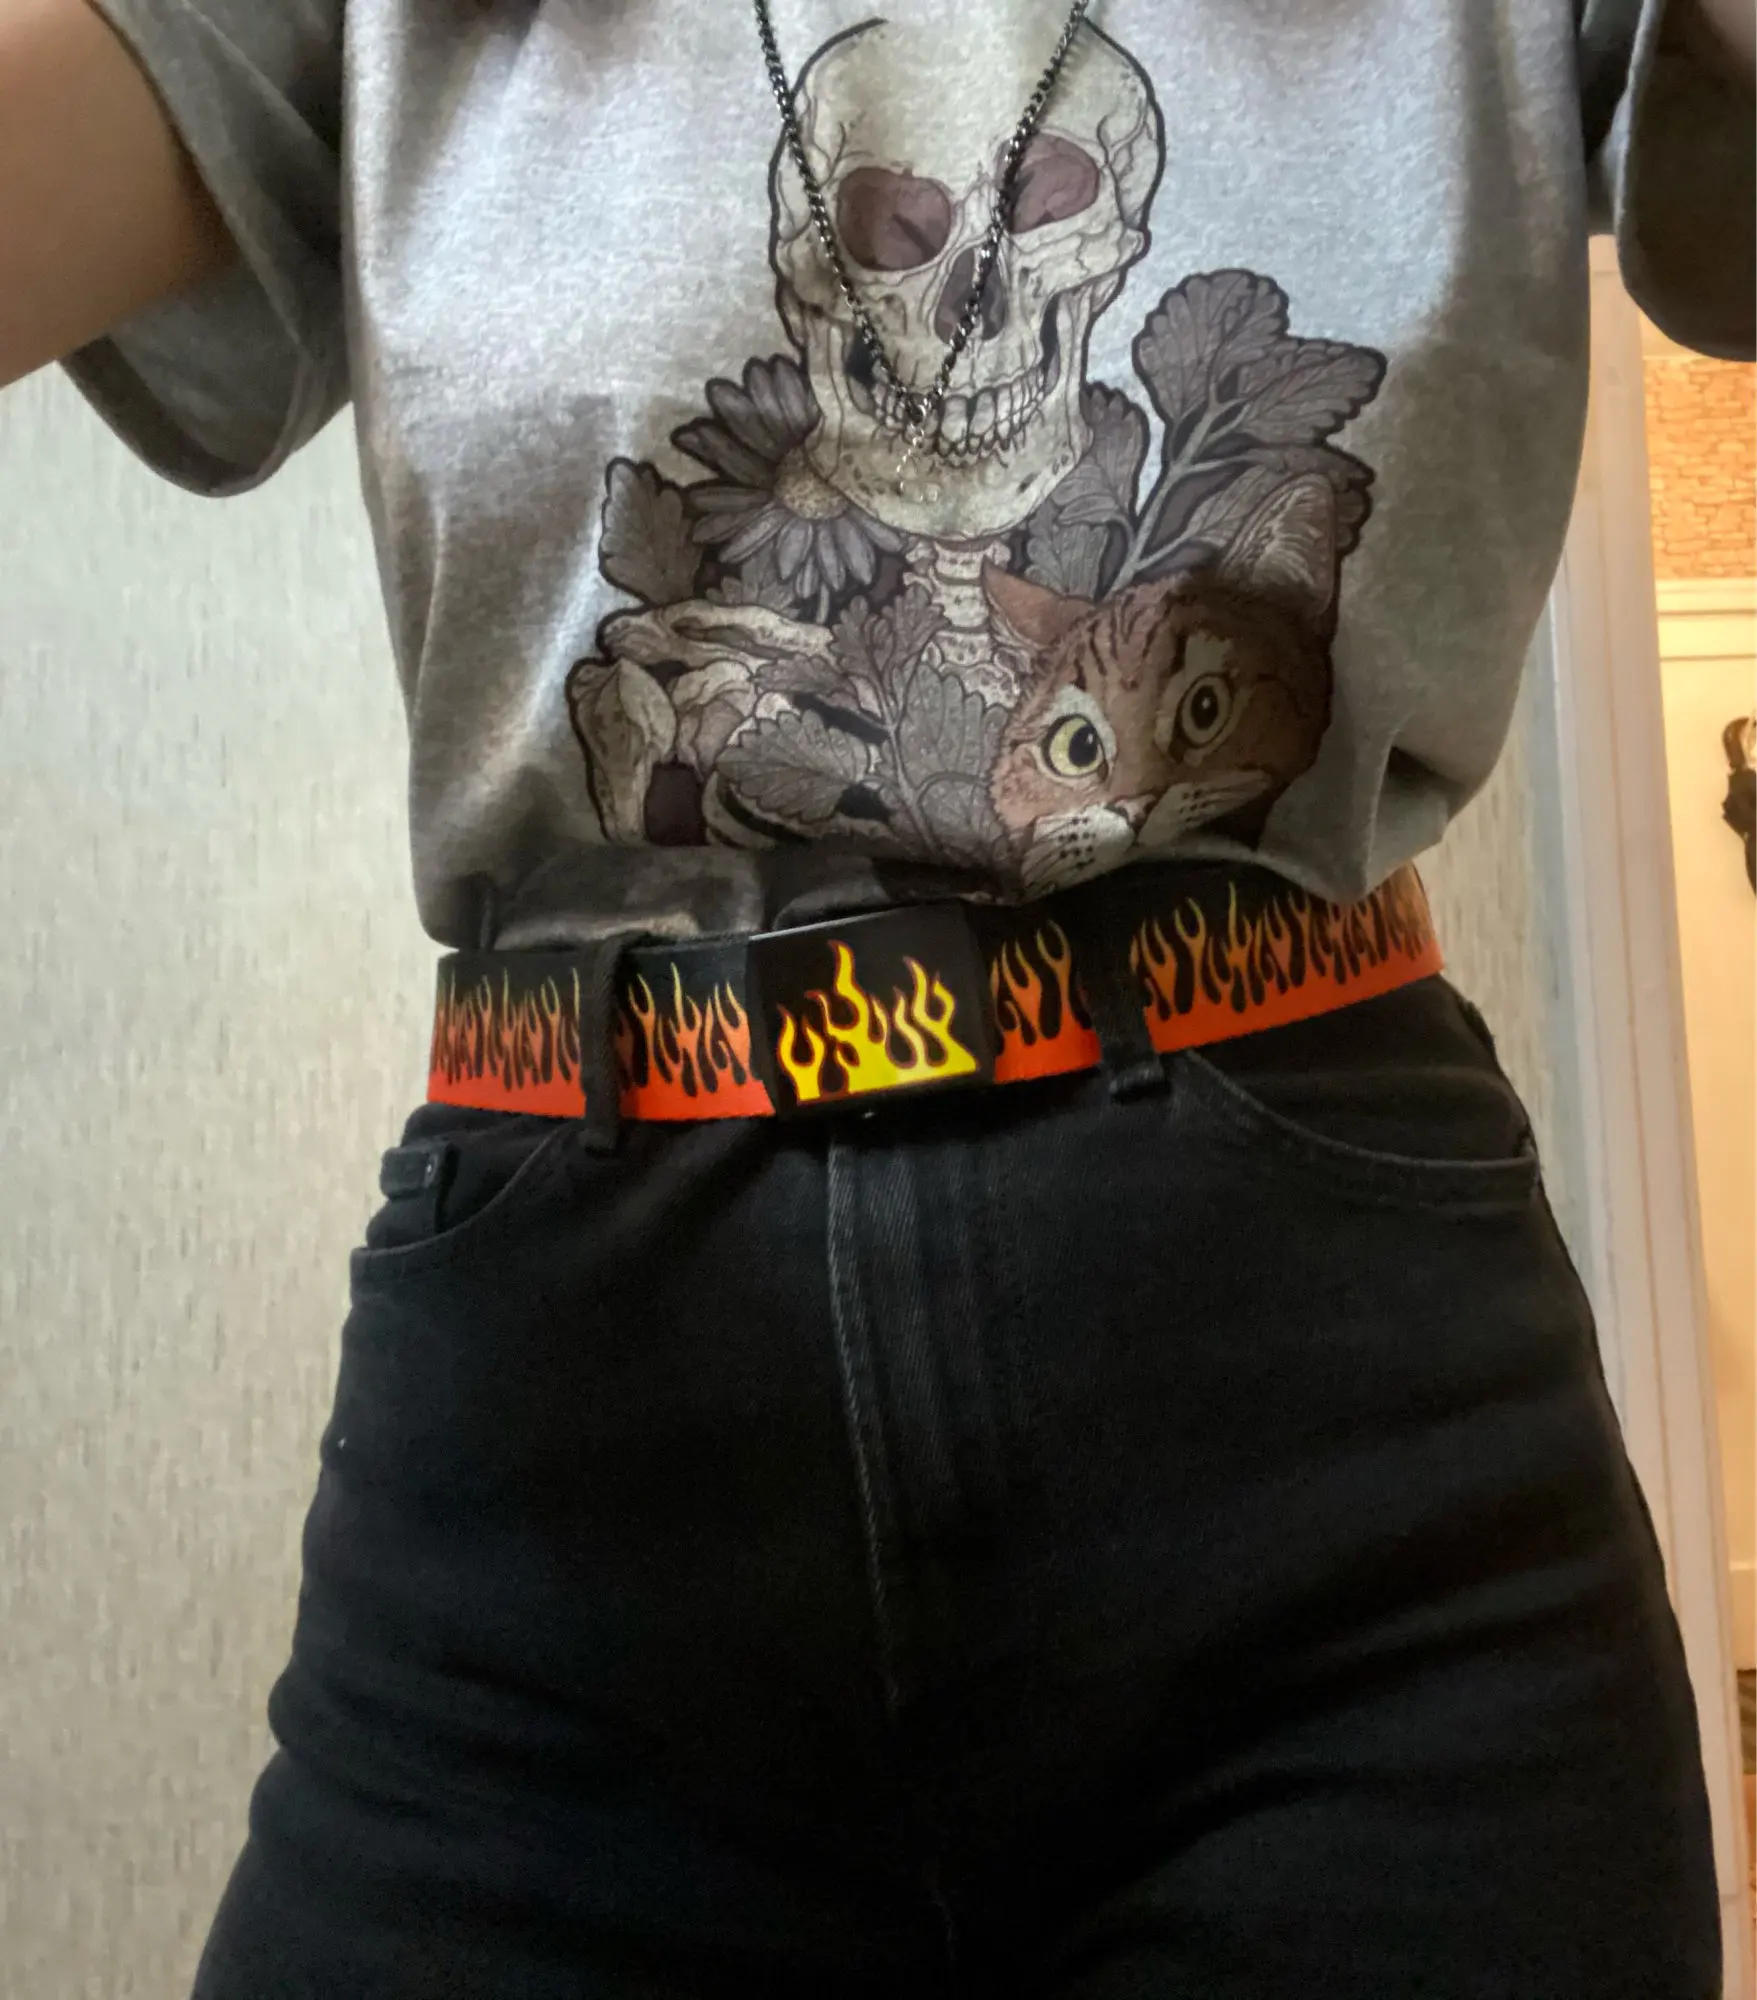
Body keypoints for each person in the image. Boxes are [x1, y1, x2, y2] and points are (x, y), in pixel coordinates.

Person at [3, 0, 1752, 1992]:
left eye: (1048, 226)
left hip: (1334, 1449)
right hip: (561, 1456)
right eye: (891, 234)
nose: (970, 308)